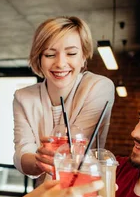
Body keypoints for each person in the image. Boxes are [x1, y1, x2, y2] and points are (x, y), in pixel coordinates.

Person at [13, 16, 115, 185]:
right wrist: (38, 160)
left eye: (71, 53)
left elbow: (75, 151)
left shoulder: (99, 87)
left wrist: (48, 155)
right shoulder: (23, 97)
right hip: (45, 196)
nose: (60, 63)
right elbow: (22, 153)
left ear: (84, 56)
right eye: (50, 54)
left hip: (86, 190)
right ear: (39, 57)